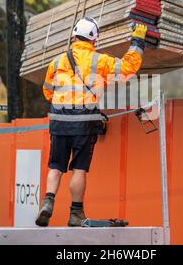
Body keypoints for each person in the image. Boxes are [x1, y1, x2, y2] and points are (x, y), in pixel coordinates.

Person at [36, 16, 148, 227]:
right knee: (78, 169)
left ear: (74, 36)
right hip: (84, 121)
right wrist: (137, 41)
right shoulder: (99, 60)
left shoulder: (57, 61)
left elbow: (47, 92)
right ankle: (75, 213)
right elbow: (128, 67)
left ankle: (47, 202)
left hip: (59, 120)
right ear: (94, 39)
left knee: (56, 166)